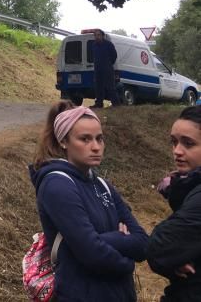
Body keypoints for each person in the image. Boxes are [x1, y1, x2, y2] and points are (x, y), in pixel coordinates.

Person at [29, 101, 147, 301]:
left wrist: (98, 242)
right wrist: (125, 252)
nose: (95, 147)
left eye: (99, 139)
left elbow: (143, 243)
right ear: (63, 141)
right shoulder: (56, 185)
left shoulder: (103, 185)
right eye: (85, 139)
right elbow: (92, 253)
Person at [147, 106, 201, 301]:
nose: (177, 151)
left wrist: (170, 259)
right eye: (174, 142)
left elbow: (160, 248)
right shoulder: (187, 186)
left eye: (188, 143)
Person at [92, 29, 120, 109]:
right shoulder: (94, 45)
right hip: (98, 69)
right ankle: (99, 104)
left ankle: (116, 105)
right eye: (95, 35)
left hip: (107, 69)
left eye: (98, 35)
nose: (97, 37)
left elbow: (114, 55)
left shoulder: (108, 44)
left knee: (110, 87)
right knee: (98, 87)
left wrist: (108, 63)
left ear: (102, 36)